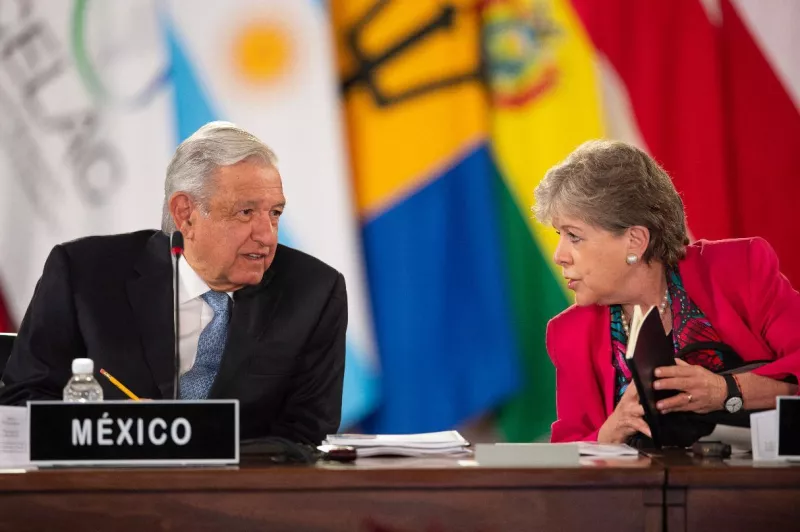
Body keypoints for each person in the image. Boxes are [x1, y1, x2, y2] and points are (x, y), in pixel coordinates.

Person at [0, 121, 346, 445]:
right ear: (186, 214)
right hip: (106, 494)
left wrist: (195, 439)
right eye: (245, 213)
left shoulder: (313, 293)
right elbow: (22, 403)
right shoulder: (85, 276)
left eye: (275, 213)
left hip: (244, 501)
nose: (266, 236)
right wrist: (116, 428)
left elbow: (306, 437)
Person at [535, 140, 799, 445]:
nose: (559, 255)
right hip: (637, 491)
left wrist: (725, 390)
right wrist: (612, 430)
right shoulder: (567, 333)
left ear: (635, 240)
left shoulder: (741, 269)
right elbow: (565, 461)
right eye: (560, 235)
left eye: (574, 236)